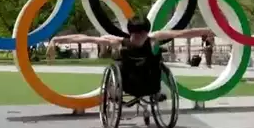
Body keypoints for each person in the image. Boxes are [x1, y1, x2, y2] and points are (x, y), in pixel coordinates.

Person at [47, 15, 214, 99]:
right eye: (136, 33)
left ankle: (152, 93)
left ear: (146, 32)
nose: (139, 36)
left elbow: (182, 33)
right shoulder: (119, 41)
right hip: (128, 84)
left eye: (142, 33)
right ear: (131, 32)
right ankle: (116, 91)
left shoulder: (153, 37)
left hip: (149, 83)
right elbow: (84, 38)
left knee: (155, 61)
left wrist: (207, 30)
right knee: (119, 65)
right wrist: (57, 40)